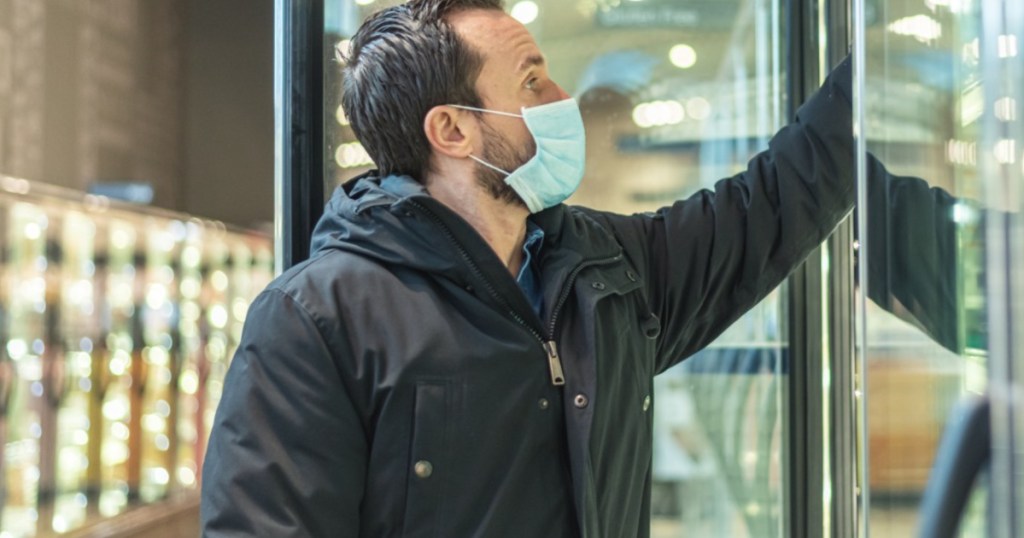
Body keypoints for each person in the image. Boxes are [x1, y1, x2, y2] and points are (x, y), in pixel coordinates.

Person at [200, 0, 854, 535]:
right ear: (453, 131)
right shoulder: (317, 320)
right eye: (533, 81)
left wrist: (863, 83)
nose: (564, 97)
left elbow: (773, 204)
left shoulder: (609, 272)